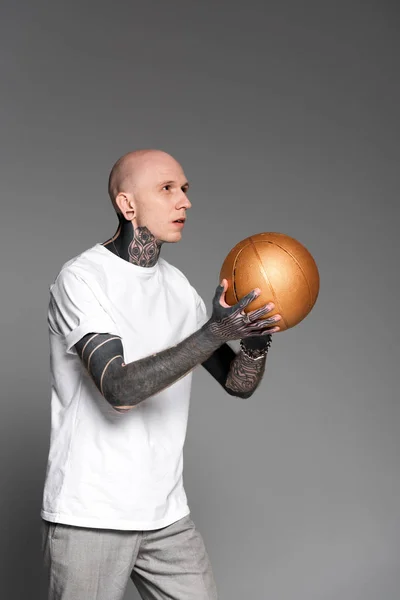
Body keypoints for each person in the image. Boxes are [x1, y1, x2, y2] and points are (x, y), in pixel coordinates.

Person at [41, 149, 281, 600]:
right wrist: (214, 331)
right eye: (167, 189)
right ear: (128, 205)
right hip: (91, 515)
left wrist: (254, 340)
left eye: (185, 189)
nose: (185, 201)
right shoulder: (82, 279)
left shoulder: (179, 288)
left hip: (166, 516)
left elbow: (238, 384)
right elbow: (118, 388)